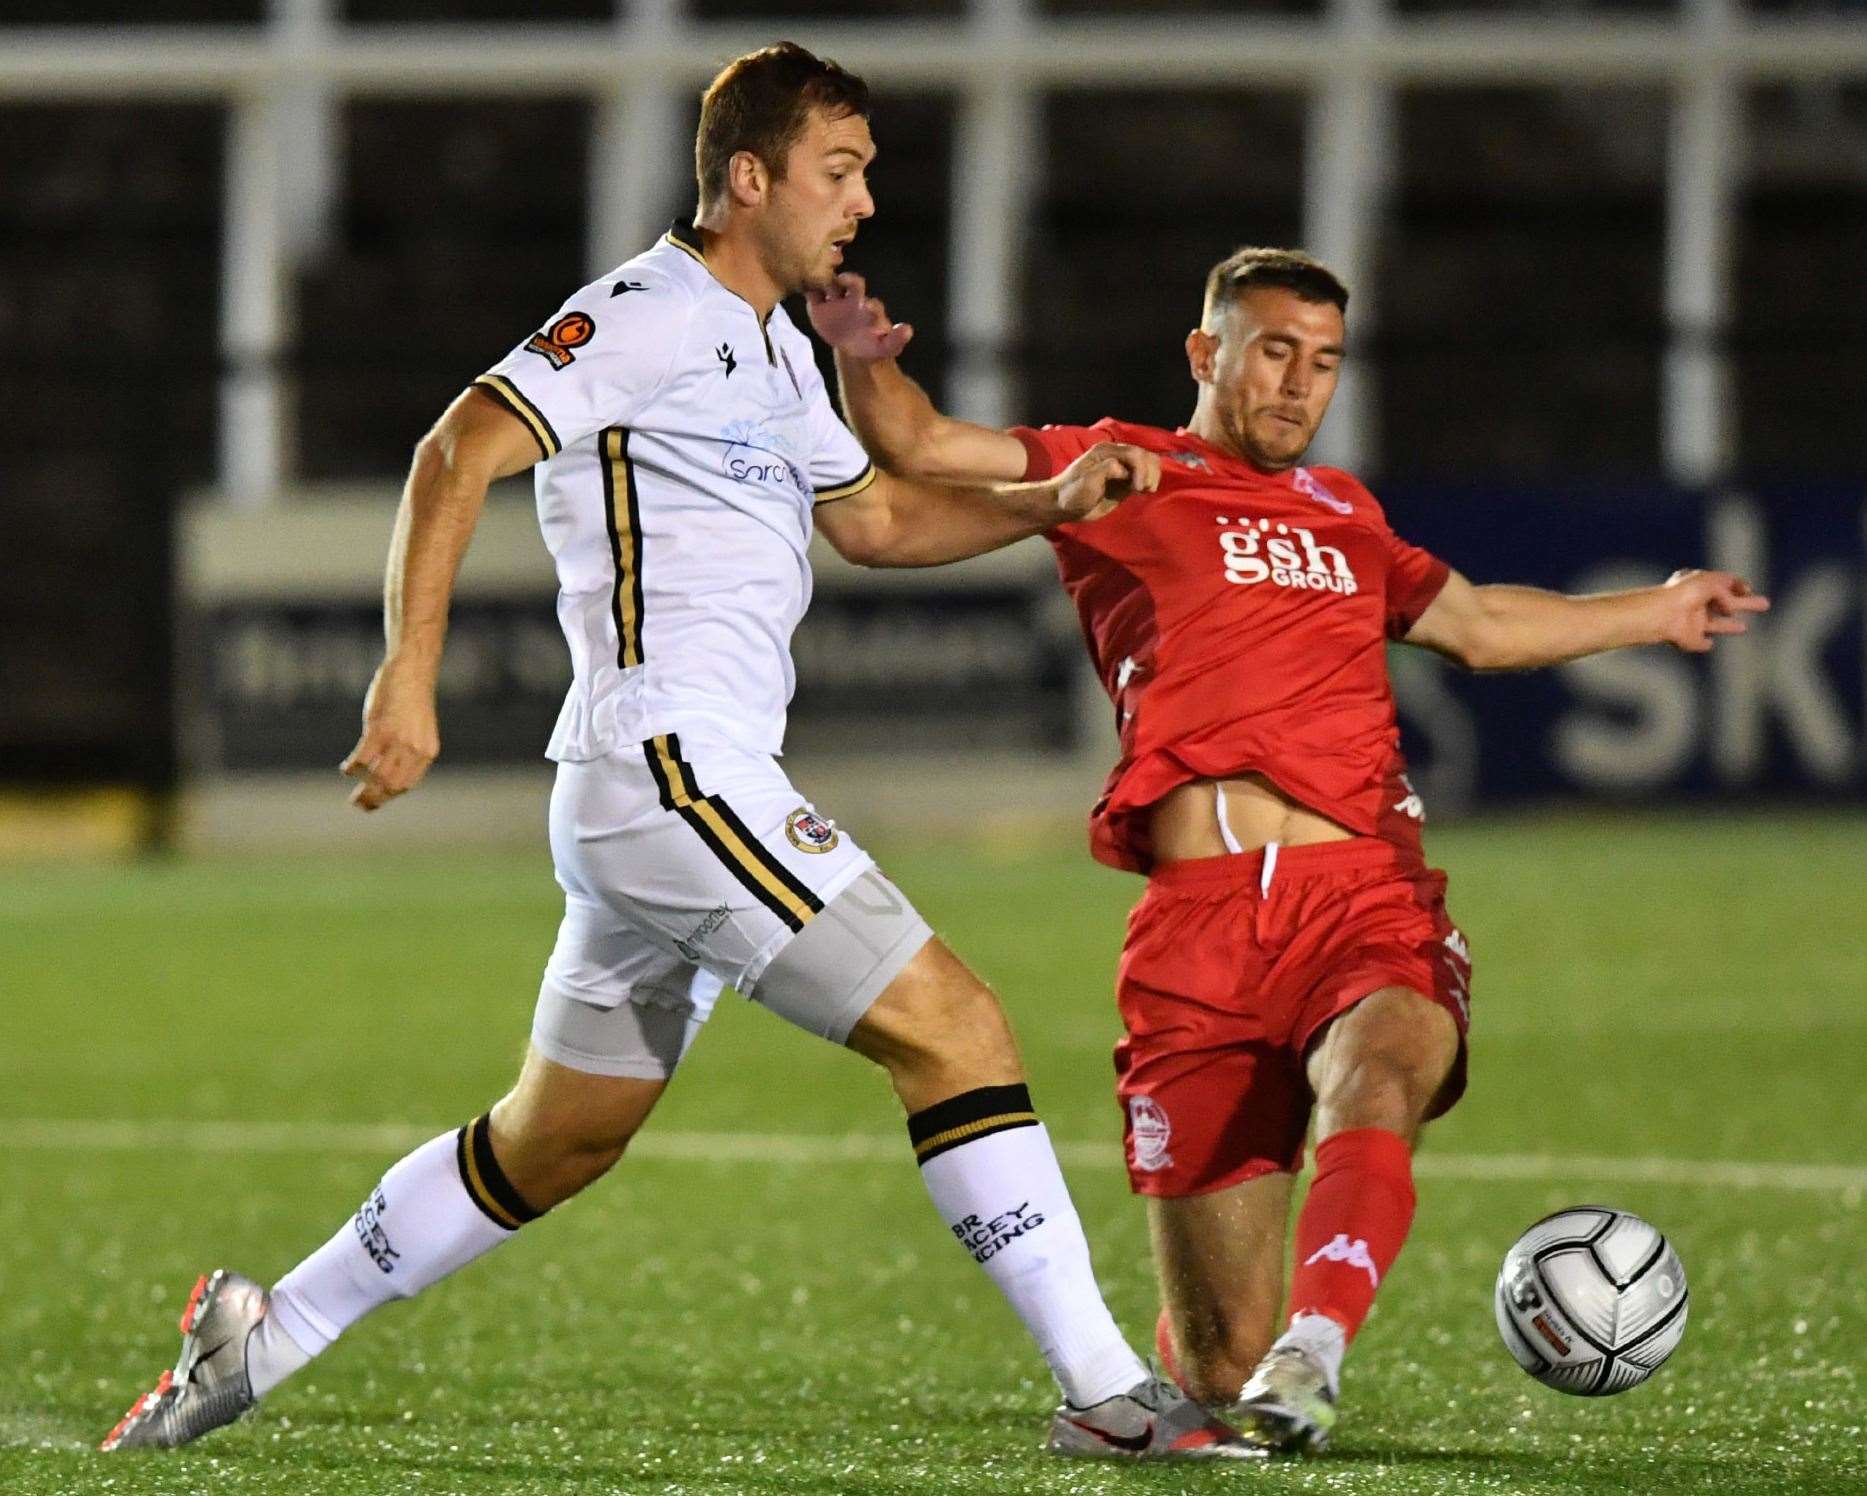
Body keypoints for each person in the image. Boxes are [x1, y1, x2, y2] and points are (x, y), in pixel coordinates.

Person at [100, 43, 1257, 1464]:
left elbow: (877, 525)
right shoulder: (647, 310)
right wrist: (406, 678)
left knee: (554, 1142)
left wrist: (1052, 502)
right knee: (955, 1029)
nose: (863, 203)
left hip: (668, 789)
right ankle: (1104, 1389)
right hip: (668, 767)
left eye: (870, 176)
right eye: (840, 173)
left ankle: (261, 1330)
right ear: (749, 177)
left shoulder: (776, 345)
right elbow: (455, 448)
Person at [807, 246, 1768, 1453]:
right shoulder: (1122, 467)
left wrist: (1660, 607)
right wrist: (857, 360)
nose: (1300, 383)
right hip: (1193, 932)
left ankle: (1315, 1346)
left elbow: (1474, 624)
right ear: (1207, 354)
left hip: (1356, 888)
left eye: (1322, 362)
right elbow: (927, 445)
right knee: (1215, 1356)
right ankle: (1253, 1352)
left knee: (1378, 1065)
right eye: (1274, 351)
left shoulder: (1345, 514)